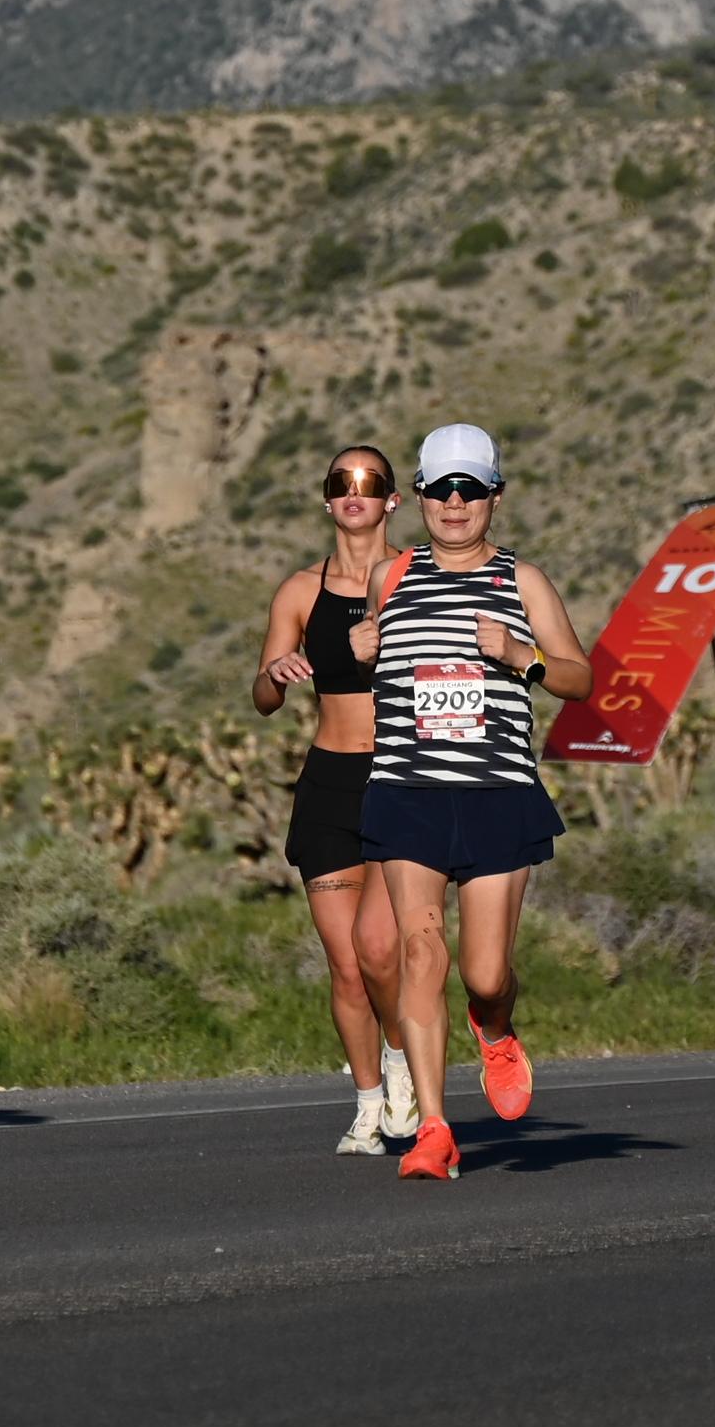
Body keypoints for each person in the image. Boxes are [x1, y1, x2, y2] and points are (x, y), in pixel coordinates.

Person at [351, 424, 587, 1181]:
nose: (455, 504)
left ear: (495, 497)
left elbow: (580, 678)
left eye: (471, 490)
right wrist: (359, 650)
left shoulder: (523, 581)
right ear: (419, 496)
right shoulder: (389, 577)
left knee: (485, 975)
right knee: (422, 954)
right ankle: (434, 1128)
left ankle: (496, 1028)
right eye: (442, 490)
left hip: (495, 793)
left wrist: (523, 656)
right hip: (408, 790)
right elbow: (373, 664)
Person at [251, 444, 420, 1153]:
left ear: (391, 501)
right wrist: (276, 672)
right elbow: (262, 699)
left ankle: (404, 1062)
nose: (355, 492)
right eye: (341, 482)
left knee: (380, 953)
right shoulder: (299, 590)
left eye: (370, 482)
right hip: (327, 783)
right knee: (346, 964)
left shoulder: (418, 578)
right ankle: (367, 1106)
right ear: (327, 500)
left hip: (400, 778)